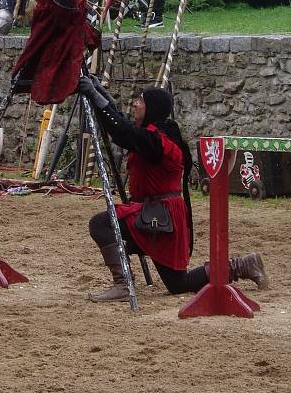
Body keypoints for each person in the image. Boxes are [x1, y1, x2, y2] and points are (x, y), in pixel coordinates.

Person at [77, 78, 270, 302]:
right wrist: (100, 93)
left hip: (159, 215)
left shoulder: (160, 141)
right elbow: (123, 126)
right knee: (179, 284)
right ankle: (242, 266)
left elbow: (122, 132)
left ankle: (123, 285)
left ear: (153, 108)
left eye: (141, 100)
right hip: (151, 212)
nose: (136, 104)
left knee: (101, 224)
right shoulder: (154, 133)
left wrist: (96, 96)